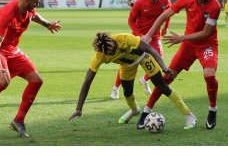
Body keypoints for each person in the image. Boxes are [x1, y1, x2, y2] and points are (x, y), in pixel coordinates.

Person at [0, 0, 61, 138]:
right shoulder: (7, 13)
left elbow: (35, 16)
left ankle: (18, 120)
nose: (37, 4)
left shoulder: (29, 9)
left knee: (36, 80)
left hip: (13, 50)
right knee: (4, 81)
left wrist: (47, 24)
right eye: (36, 1)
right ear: (27, 0)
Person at [69, 32, 197, 130]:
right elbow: (87, 82)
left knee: (162, 86)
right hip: (127, 66)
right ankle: (135, 110)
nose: (112, 52)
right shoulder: (99, 56)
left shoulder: (123, 38)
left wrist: (164, 67)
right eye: (109, 52)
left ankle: (189, 115)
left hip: (143, 57)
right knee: (127, 92)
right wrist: (79, 108)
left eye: (113, 48)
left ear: (112, 41)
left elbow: (150, 49)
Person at [140, 0, 221, 130]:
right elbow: (164, 15)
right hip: (188, 46)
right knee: (166, 78)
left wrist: (181, 38)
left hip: (206, 45)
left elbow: (205, 33)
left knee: (209, 75)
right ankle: (146, 111)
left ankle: (212, 110)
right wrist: (149, 35)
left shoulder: (215, 6)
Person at [110, 0, 151, 99]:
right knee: (128, 59)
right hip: (137, 29)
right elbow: (129, 0)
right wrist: (133, 4)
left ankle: (145, 80)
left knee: (156, 57)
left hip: (150, 31)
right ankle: (115, 88)